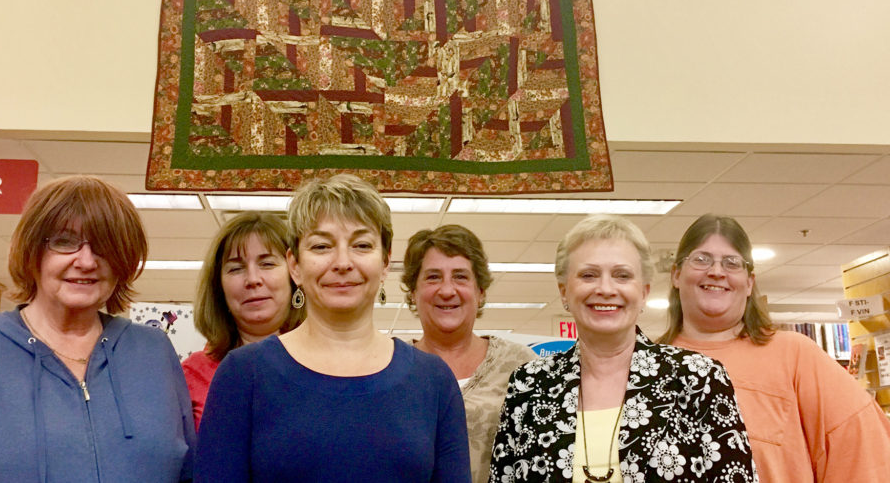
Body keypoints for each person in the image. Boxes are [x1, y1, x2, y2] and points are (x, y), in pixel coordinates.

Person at [0, 176, 196, 483]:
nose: (86, 261)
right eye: (64, 242)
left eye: (106, 246)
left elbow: (189, 472)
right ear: (32, 252)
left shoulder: (153, 351)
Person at [195, 174, 470, 482]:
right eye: (322, 246)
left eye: (362, 245)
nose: (342, 262)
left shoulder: (433, 381)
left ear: (385, 263)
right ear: (295, 265)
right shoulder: (244, 375)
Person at [489, 214, 757, 483]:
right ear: (563, 291)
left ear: (644, 291)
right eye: (588, 275)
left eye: (622, 275)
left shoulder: (699, 378)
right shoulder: (528, 384)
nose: (605, 288)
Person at [661, 213, 890, 482]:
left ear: (749, 283)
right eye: (701, 259)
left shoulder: (795, 356)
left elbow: (864, 454)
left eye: (732, 263)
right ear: (676, 274)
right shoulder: (644, 368)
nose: (717, 271)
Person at [401, 224, 535, 483]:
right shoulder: (388, 365)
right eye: (433, 277)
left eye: (460, 277)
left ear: (480, 291)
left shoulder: (522, 367)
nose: (447, 290)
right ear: (413, 292)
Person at [182, 211, 305, 428]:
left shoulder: (324, 364)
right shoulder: (189, 375)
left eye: (267, 264)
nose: (253, 279)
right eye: (236, 268)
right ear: (219, 287)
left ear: (294, 274)